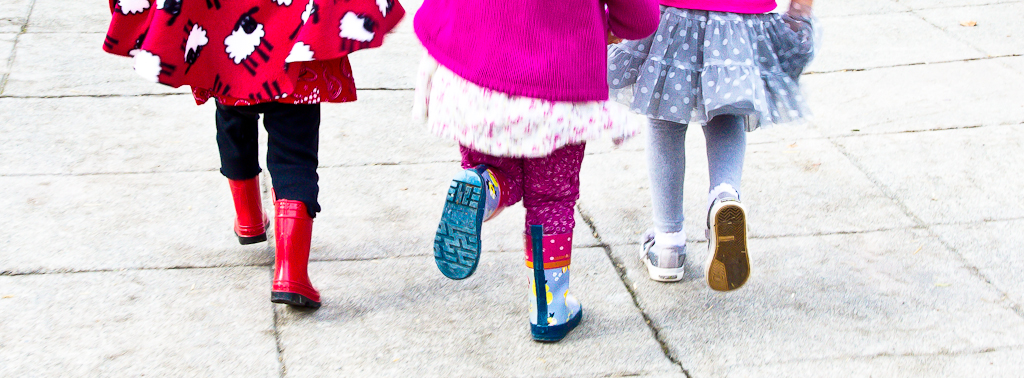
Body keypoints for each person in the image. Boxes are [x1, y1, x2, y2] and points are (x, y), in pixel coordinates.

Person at [103, 0, 405, 310]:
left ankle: (248, 219)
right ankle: (292, 274)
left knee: (233, 123)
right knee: (294, 153)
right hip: (295, 44)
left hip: (225, 33)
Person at [413, 0, 660, 341]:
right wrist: (604, 23)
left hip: (476, 73)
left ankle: (482, 186)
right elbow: (640, 18)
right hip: (559, 84)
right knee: (552, 199)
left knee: (499, 171)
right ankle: (550, 311)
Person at [607, 0, 816, 290]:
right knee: (727, 109)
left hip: (672, 12)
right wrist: (800, 9)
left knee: (664, 116)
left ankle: (668, 245)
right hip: (739, 16)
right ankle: (724, 197)